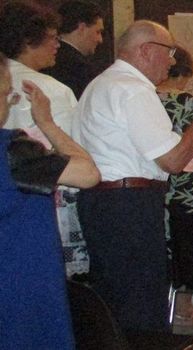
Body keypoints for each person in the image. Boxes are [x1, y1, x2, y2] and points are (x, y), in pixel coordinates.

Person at [74, 20, 193, 332]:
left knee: (115, 300)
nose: (173, 60)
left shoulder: (101, 83)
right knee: (141, 302)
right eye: (168, 51)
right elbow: (172, 160)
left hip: (102, 202)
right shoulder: (132, 90)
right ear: (145, 50)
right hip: (128, 205)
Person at [0, 52, 100, 350]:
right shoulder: (14, 152)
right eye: (6, 94)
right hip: (22, 285)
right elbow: (88, 173)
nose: (9, 102)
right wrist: (47, 123)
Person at [0, 1, 89, 278]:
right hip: (45, 199)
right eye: (52, 37)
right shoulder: (52, 90)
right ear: (28, 39)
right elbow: (77, 157)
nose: (58, 45)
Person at [157, 45, 193, 332]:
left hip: (158, 183)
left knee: (164, 246)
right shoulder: (186, 100)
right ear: (185, 73)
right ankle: (184, 312)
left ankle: (166, 306)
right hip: (187, 184)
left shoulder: (149, 96)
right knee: (187, 246)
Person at [42, 0, 104, 99]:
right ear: (82, 28)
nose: (100, 40)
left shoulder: (44, 60)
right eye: (98, 32)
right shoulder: (81, 69)